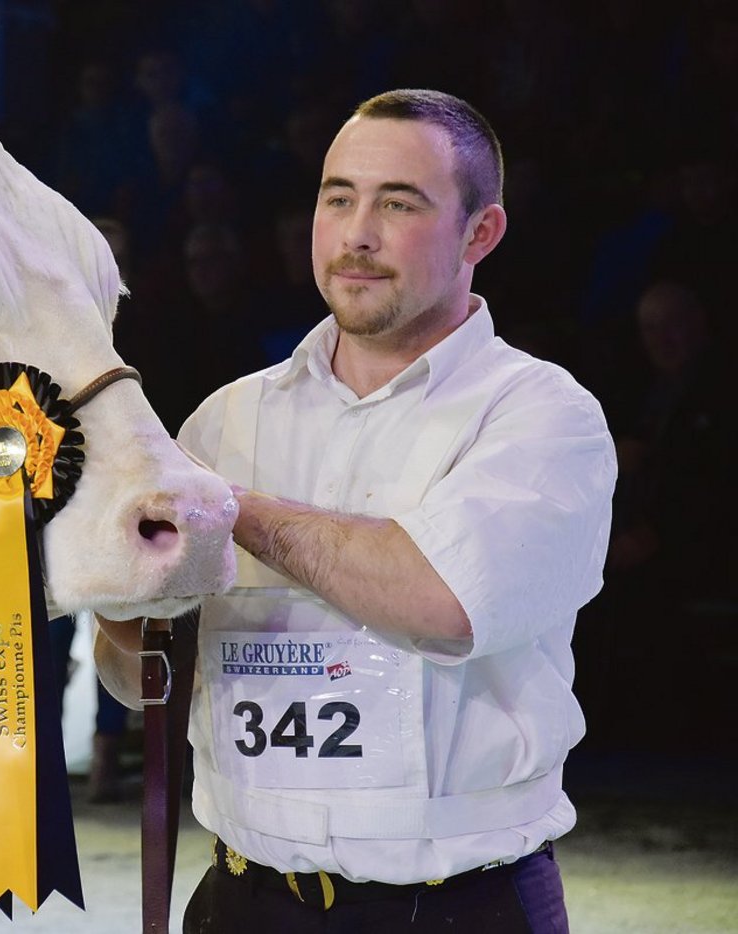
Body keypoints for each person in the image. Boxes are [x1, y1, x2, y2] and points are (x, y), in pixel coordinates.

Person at [95, 89, 616, 932]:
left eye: (398, 203)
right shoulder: (225, 420)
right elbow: (142, 684)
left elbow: (440, 601)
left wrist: (225, 509)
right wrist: (119, 593)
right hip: (241, 900)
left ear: (480, 233)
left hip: (454, 907)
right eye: (337, 197)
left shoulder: (540, 414)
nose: (356, 233)